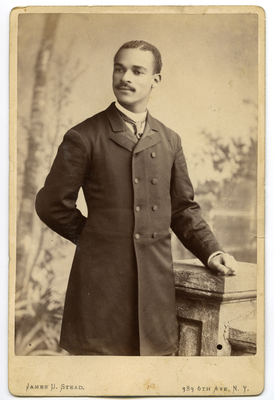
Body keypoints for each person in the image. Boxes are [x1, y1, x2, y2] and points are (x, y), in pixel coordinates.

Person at [35, 40, 237, 356]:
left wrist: (212, 252)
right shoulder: (84, 136)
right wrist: (96, 238)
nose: (125, 77)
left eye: (136, 70)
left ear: (155, 79)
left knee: (152, 376)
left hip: (155, 292)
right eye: (119, 68)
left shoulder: (170, 140)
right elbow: (51, 204)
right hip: (101, 290)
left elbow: (183, 208)